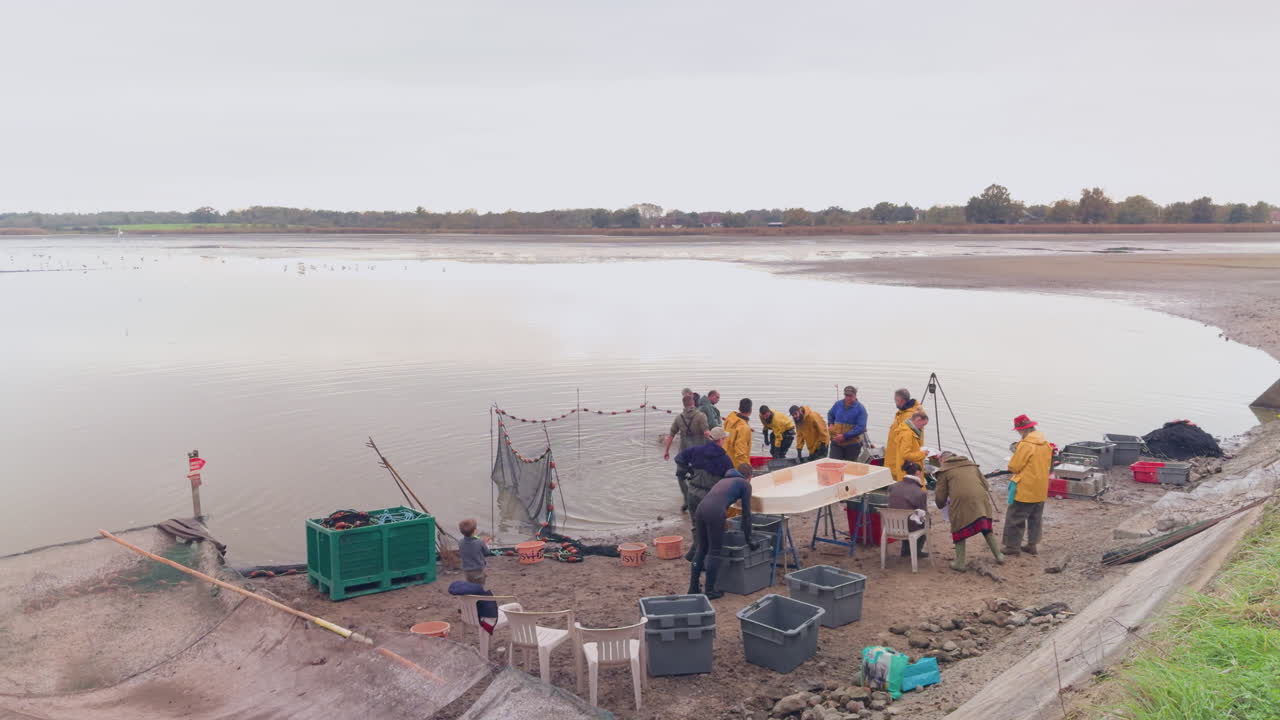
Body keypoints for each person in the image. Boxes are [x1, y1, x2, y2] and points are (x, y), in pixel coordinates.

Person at [689, 463, 761, 599]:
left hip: (700, 509)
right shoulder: (745, 484)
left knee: (701, 549)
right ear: (750, 477)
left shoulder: (723, 480)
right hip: (715, 513)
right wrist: (749, 539)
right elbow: (746, 515)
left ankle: (693, 587)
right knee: (714, 552)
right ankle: (709, 591)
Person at [934, 451, 1003, 571]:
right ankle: (999, 555)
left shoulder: (944, 471)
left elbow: (940, 496)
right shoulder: (971, 465)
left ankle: (960, 563)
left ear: (942, 460)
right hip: (980, 498)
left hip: (961, 501)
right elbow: (986, 485)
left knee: (959, 528)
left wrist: (940, 505)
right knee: (985, 526)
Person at [1003, 414, 1052, 556]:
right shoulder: (1045, 443)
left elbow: (1014, 466)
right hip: (1041, 487)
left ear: (1022, 430)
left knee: (1015, 517)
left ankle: (1012, 547)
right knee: (1035, 517)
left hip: (1026, 487)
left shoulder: (1026, 445)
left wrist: (1016, 453)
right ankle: (1032, 545)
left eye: (1018, 431)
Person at [674, 427, 733, 522]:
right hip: (710, 498)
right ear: (721, 440)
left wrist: (690, 471)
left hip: (692, 494)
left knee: (696, 526)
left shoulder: (696, 450)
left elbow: (678, 459)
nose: (725, 440)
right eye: (724, 438)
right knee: (712, 528)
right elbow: (730, 480)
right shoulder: (725, 459)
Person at [664, 393, 710, 511]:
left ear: (683, 404)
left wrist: (666, 450)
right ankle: (696, 501)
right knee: (698, 478)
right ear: (694, 403)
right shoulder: (701, 416)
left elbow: (671, 435)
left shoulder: (679, 418)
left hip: (683, 455)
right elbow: (706, 433)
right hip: (698, 455)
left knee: (681, 477)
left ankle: (686, 499)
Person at [888, 461, 929, 558]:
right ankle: (916, 551)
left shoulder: (893, 487)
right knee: (924, 522)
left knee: (906, 517)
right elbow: (923, 515)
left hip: (891, 525)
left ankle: (905, 551)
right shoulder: (920, 492)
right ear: (918, 473)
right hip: (907, 527)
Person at [887, 409, 932, 485]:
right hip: (908, 471)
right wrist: (923, 454)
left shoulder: (910, 431)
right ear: (918, 420)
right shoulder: (907, 434)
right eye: (923, 425)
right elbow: (906, 455)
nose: (922, 428)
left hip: (910, 469)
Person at [827, 386, 868, 461]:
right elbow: (830, 414)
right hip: (836, 442)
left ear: (855, 395)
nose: (848, 398)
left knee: (850, 467)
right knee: (833, 464)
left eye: (850, 396)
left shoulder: (861, 409)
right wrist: (830, 424)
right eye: (846, 395)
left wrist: (844, 436)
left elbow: (861, 427)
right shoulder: (838, 404)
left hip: (852, 444)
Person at [722, 398, 754, 469]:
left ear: (739, 408)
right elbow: (740, 452)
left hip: (726, 458)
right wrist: (746, 469)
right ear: (750, 410)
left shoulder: (730, 419)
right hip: (736, 465)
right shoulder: (744, 428)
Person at [458, 518, 489, 587]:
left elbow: (469, 546)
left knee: (470, 584)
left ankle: (472, 593)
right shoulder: (480, 542)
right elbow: (487, 552)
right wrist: (485, 543)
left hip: (467, 571)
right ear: (475, 530)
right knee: (480, 586)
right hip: (478, 570)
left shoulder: (460, 542)